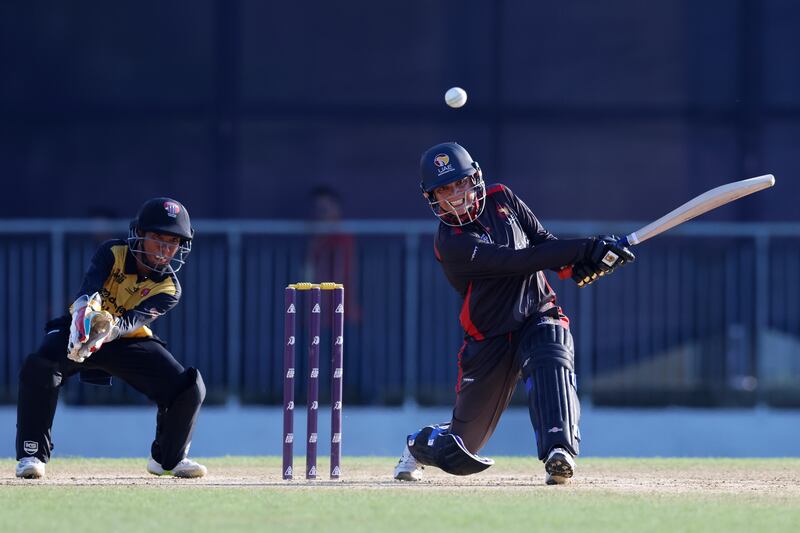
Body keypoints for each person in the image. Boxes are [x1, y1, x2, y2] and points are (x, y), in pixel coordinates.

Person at [393, 142, 635, 484]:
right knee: (459, 449)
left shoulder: (502, 198)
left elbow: (542, 243)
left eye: (460, 183)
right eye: (445, 190)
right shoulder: (452, 243)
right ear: (432, 197)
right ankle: (419, 445)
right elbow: (516, 262)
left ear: (474, 178)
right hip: (489, 338)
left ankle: (559, 452)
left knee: (552, 346)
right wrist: (587, 246)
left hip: (537, 312)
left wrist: (578, 265)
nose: (456, 195)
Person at [15, 197, 207, 479]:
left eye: (173, 241)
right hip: (79, 328)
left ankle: (168, 458)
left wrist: (107, 330)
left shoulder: (169, 288)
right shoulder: (113, 252)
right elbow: (89, 290)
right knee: (40, 365)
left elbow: (133, 321)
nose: (165, 249)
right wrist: (87, 319)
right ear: (139, 235)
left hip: (125, 339)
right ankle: (32, 455)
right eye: (158, 238)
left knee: (188, 387)